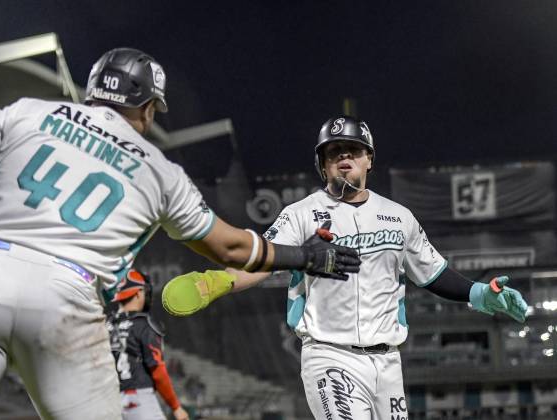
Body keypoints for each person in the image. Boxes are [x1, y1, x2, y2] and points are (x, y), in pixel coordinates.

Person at [0, 48, 360, 420]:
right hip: (66, 299)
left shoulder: (25, 112)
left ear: (93, 88)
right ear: (147, 108)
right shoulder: (159, 171)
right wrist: (304, 256)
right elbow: (230, 248)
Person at [163, 115, 529, 420]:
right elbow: (265, 260)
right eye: (333, 151)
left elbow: (432, 272)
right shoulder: (301, 214)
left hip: (387, 363)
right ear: (322, 164)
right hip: (329, 355)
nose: (343, 156)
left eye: (352, 149)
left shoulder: (399, 217)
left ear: (369, 159)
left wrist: (479, 293)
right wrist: (219, 281)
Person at [107, 268, 189, 420]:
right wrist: (176, 407)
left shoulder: (107, 325)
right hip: (138, 399)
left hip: (110, 402)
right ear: (138, 293)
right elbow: (158, 371)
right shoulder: (144, 324)